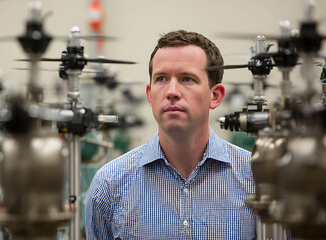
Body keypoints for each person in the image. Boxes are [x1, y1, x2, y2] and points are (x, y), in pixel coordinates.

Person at [85, 30, 256, 239]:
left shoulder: (256, 179)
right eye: (161, 79)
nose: (171, 91)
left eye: (187, 79)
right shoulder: (109, 185)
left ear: (215, 96)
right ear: (150, 95)